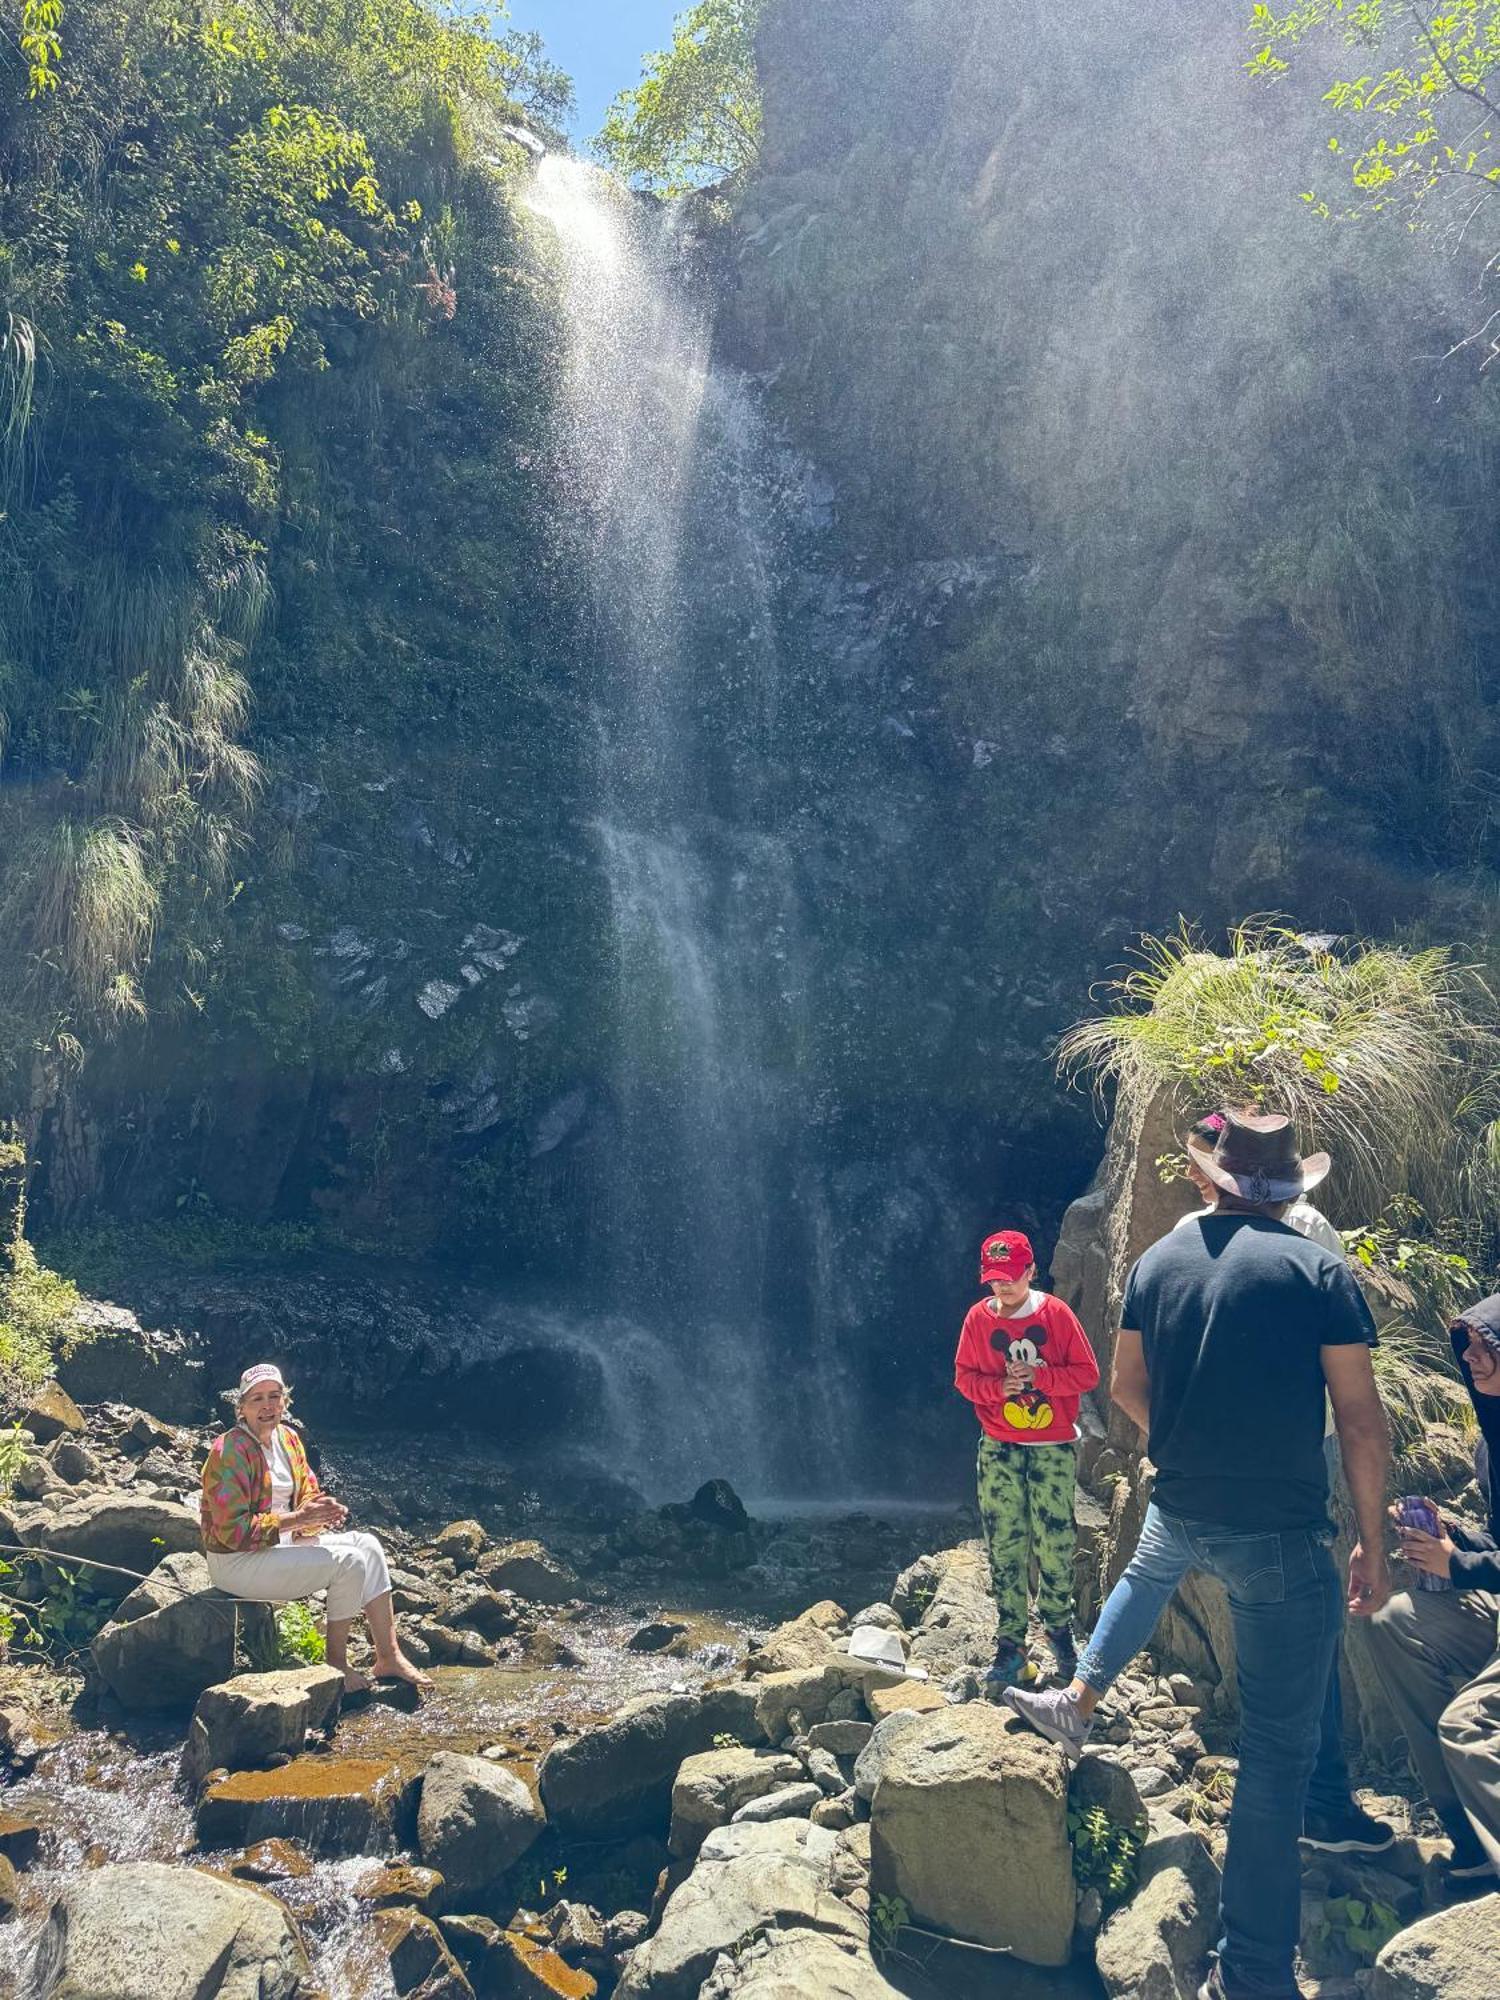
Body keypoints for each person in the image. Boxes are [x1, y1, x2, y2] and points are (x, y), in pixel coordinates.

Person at [1006, 1112, 1391, 2000]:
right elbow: (1361, 1419)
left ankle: (1078, 1700)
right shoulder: (1318, 1269)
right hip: (1280, 1534)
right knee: (1272, 1757)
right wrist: (1370, 1537)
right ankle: (1253, 1971)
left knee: (1145, 1575)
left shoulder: (1156, 1262)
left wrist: (1179, 1444)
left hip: (1180, 1503)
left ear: (1213, 1178)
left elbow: (1125, 1385)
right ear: (1290, 1190)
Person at [1365, 1296, 1500, 1887]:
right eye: (1465, 1345)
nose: (1471, 1357)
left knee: (1467, 1724)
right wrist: (1453, 1535)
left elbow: (1480, 1563)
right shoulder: (1488, 1440)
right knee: (1390, 1620)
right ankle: (1470, 1836)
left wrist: (1460, 1564)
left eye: (1485, 1345)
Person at [201, 1363, 431, 1693]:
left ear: (284, 1402)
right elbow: (232, 1531)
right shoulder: (229, 1451)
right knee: (348, 1562)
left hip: (279, 1547)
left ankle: (389, 1655)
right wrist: (299, 1520)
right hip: (236, 1561)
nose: (267, 1406)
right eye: (257, 1399)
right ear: (242, 1407)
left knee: (368, 1545)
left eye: (274, 1397)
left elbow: (308, 1490)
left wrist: (319, 1513)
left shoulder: (289, 1438)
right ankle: (335, 1663)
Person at [954, 1226, 1100, 1688]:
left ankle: (1059, 1631)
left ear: (1031, 1271)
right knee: (1004, 1545)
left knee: (1056, 1543)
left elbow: (1087, 1374)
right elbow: (964, 1378)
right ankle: (1011, 1644)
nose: (1003, 1287)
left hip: (1052, 1445)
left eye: (1012, 1278)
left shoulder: (1055, 1315)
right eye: (995, 1279)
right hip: (998, 1445)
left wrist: (1041, 1379)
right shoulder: (979, 1319)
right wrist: (998, 1389)